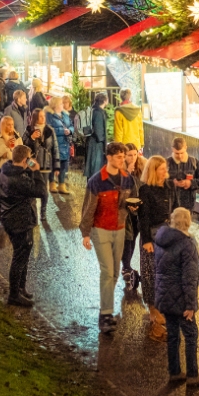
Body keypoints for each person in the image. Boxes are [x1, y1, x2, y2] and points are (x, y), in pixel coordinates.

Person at [80, 141, 138, 333]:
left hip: (120, 228)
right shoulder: (96, 181)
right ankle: (105, 315)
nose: (123, 160)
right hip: (101, 229)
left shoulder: (127, 179)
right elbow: (88, 209)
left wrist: (133, 207)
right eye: (120, 157)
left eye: (124, 156)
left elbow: (134, 200)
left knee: (114, 273)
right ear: (109, 158)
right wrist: (85, 233)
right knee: (107, 271)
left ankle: (106, 309)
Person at [154, 207, 199, 387]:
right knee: (191, 334)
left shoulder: (161, 241)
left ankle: (175, 372)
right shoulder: (187, 244)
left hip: (165, 297)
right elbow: (189, 278)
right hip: (181, 300)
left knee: (172, 335)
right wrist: (190, 305)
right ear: (188, 222)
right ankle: (193, 375)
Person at [0, 145, 49, 307]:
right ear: (25, 159)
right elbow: (41, 191)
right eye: (30, 157)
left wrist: (28, 168)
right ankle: (14, 295)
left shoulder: (6, 170)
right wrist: (36, 171)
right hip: (19, 221)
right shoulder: (19, 180)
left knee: (23, 255)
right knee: (20, 257)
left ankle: (21, 288)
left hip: (9, 217)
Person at [137, 155, 174, 341]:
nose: (165, 171)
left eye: (165, 167)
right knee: (151, 275)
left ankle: (162, 311)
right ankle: (154, 314)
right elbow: (143, 218)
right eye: (161, 168)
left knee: (166, 275)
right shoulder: (145, 190)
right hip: (151, 238)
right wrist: (145, 240)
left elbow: (174, 211)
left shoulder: (169, 187)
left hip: (167, 235)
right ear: (153, 170)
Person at [22, 109, 56, 222]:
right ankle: (33, 213)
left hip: (45, 164)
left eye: (43, 116)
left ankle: (43, 211)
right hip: (31, 164)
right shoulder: (28, 129)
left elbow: (55, 148)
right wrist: (31, 138)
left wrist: (57, 166)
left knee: (43, 190)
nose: (43, 118)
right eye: (40, 116)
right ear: (35, 118)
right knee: (31, 189)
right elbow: (22, 146)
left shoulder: (49, 130)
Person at [119, 143, 145, 290]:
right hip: (125, 209)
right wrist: (127, 173)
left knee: (134, 236)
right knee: (127, 237)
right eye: (130, 155)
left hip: (139, 208)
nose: (133, 158)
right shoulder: (120, 169)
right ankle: (126, 267)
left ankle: (126, 264)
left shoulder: (142, 165)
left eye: (135, 154)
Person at [0, 116, 23, 217]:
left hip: (12, 166)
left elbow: (20, 149)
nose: (11, 127)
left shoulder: (16, 135)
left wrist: (7, 154)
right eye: (8, 125)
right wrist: (6, 146)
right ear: (3, 125)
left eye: (12, 124)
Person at [166, 137, 199, 212]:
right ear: (172, 149)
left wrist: (191, 183)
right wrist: (172, 183)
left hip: (188, 206)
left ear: (186, 148)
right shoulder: (166, 163)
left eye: (182, 153)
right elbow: (159, 181)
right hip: (170, 206)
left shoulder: (194, 162)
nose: (180, 156)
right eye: (177, 153)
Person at [44, 96, 74, 194]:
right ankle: (52, 183)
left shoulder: (65, 115)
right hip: (55, 144)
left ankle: (62, 185)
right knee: (54, 163)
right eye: (61, 103)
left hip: (65, 144)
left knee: (64, 164)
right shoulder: (49, 115)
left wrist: (70, 130)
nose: (63, 105)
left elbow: (71, 125)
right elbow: (48, 129)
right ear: (56, 105)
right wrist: (62, 131)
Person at [83, 93, 108, 179]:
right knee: (95, 167)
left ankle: (91, 188)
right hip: (96, 143)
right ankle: (93, 189)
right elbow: (98, 130)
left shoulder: (93, 110)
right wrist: (103, 141)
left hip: (91, 141)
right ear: (105, 101)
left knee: (92, 167)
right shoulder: (98, 113)